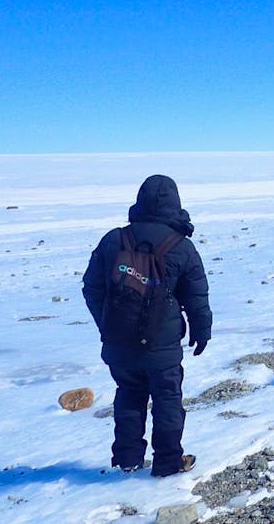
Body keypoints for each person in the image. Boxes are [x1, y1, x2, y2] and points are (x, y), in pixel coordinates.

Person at [82, 175, 212, 477]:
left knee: (128, 394)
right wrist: (201, 330)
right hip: (161, 344)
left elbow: (91, 288)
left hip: (119, 342)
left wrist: (107, 324)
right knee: (167, 400)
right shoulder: (182, 247)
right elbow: (196, 297)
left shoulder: (113, 240)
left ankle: (127, 461)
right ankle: (168, 462)